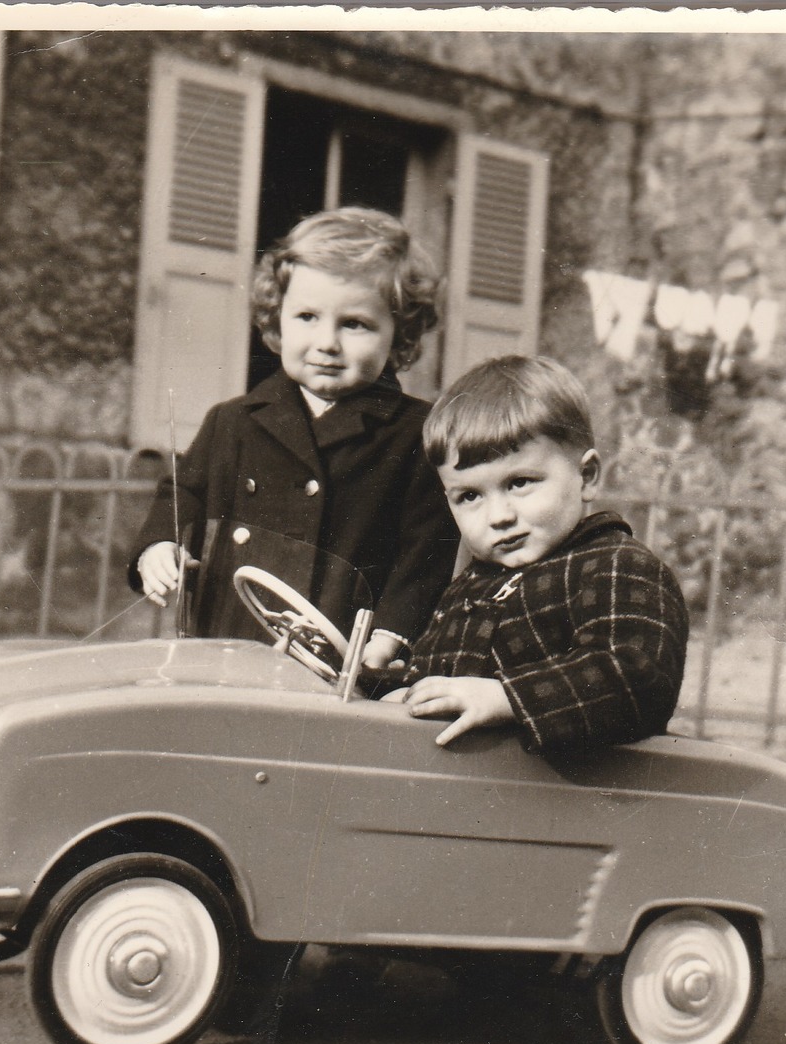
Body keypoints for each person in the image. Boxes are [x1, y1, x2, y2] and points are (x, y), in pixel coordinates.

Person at [128, 207, 459, 666]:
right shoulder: (233, 421)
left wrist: (390, 637)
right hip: (227, 638)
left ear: (399, 333)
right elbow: (182, 494)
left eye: (354, 324)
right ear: (276, 319)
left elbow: (424, 557)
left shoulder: (417, 435)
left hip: (341, 658)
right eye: (307, 317)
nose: (327, 342)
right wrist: (159, 546)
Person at [389, 355, 689, 751]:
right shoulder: (472, 584)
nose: (498, 516)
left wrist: (506, 698)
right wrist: (400, 689)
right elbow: (444, 682)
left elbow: (637, 678)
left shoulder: (616, 567)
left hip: (571, 799)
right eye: (470, 496)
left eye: (519, 483)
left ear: (586, 476)